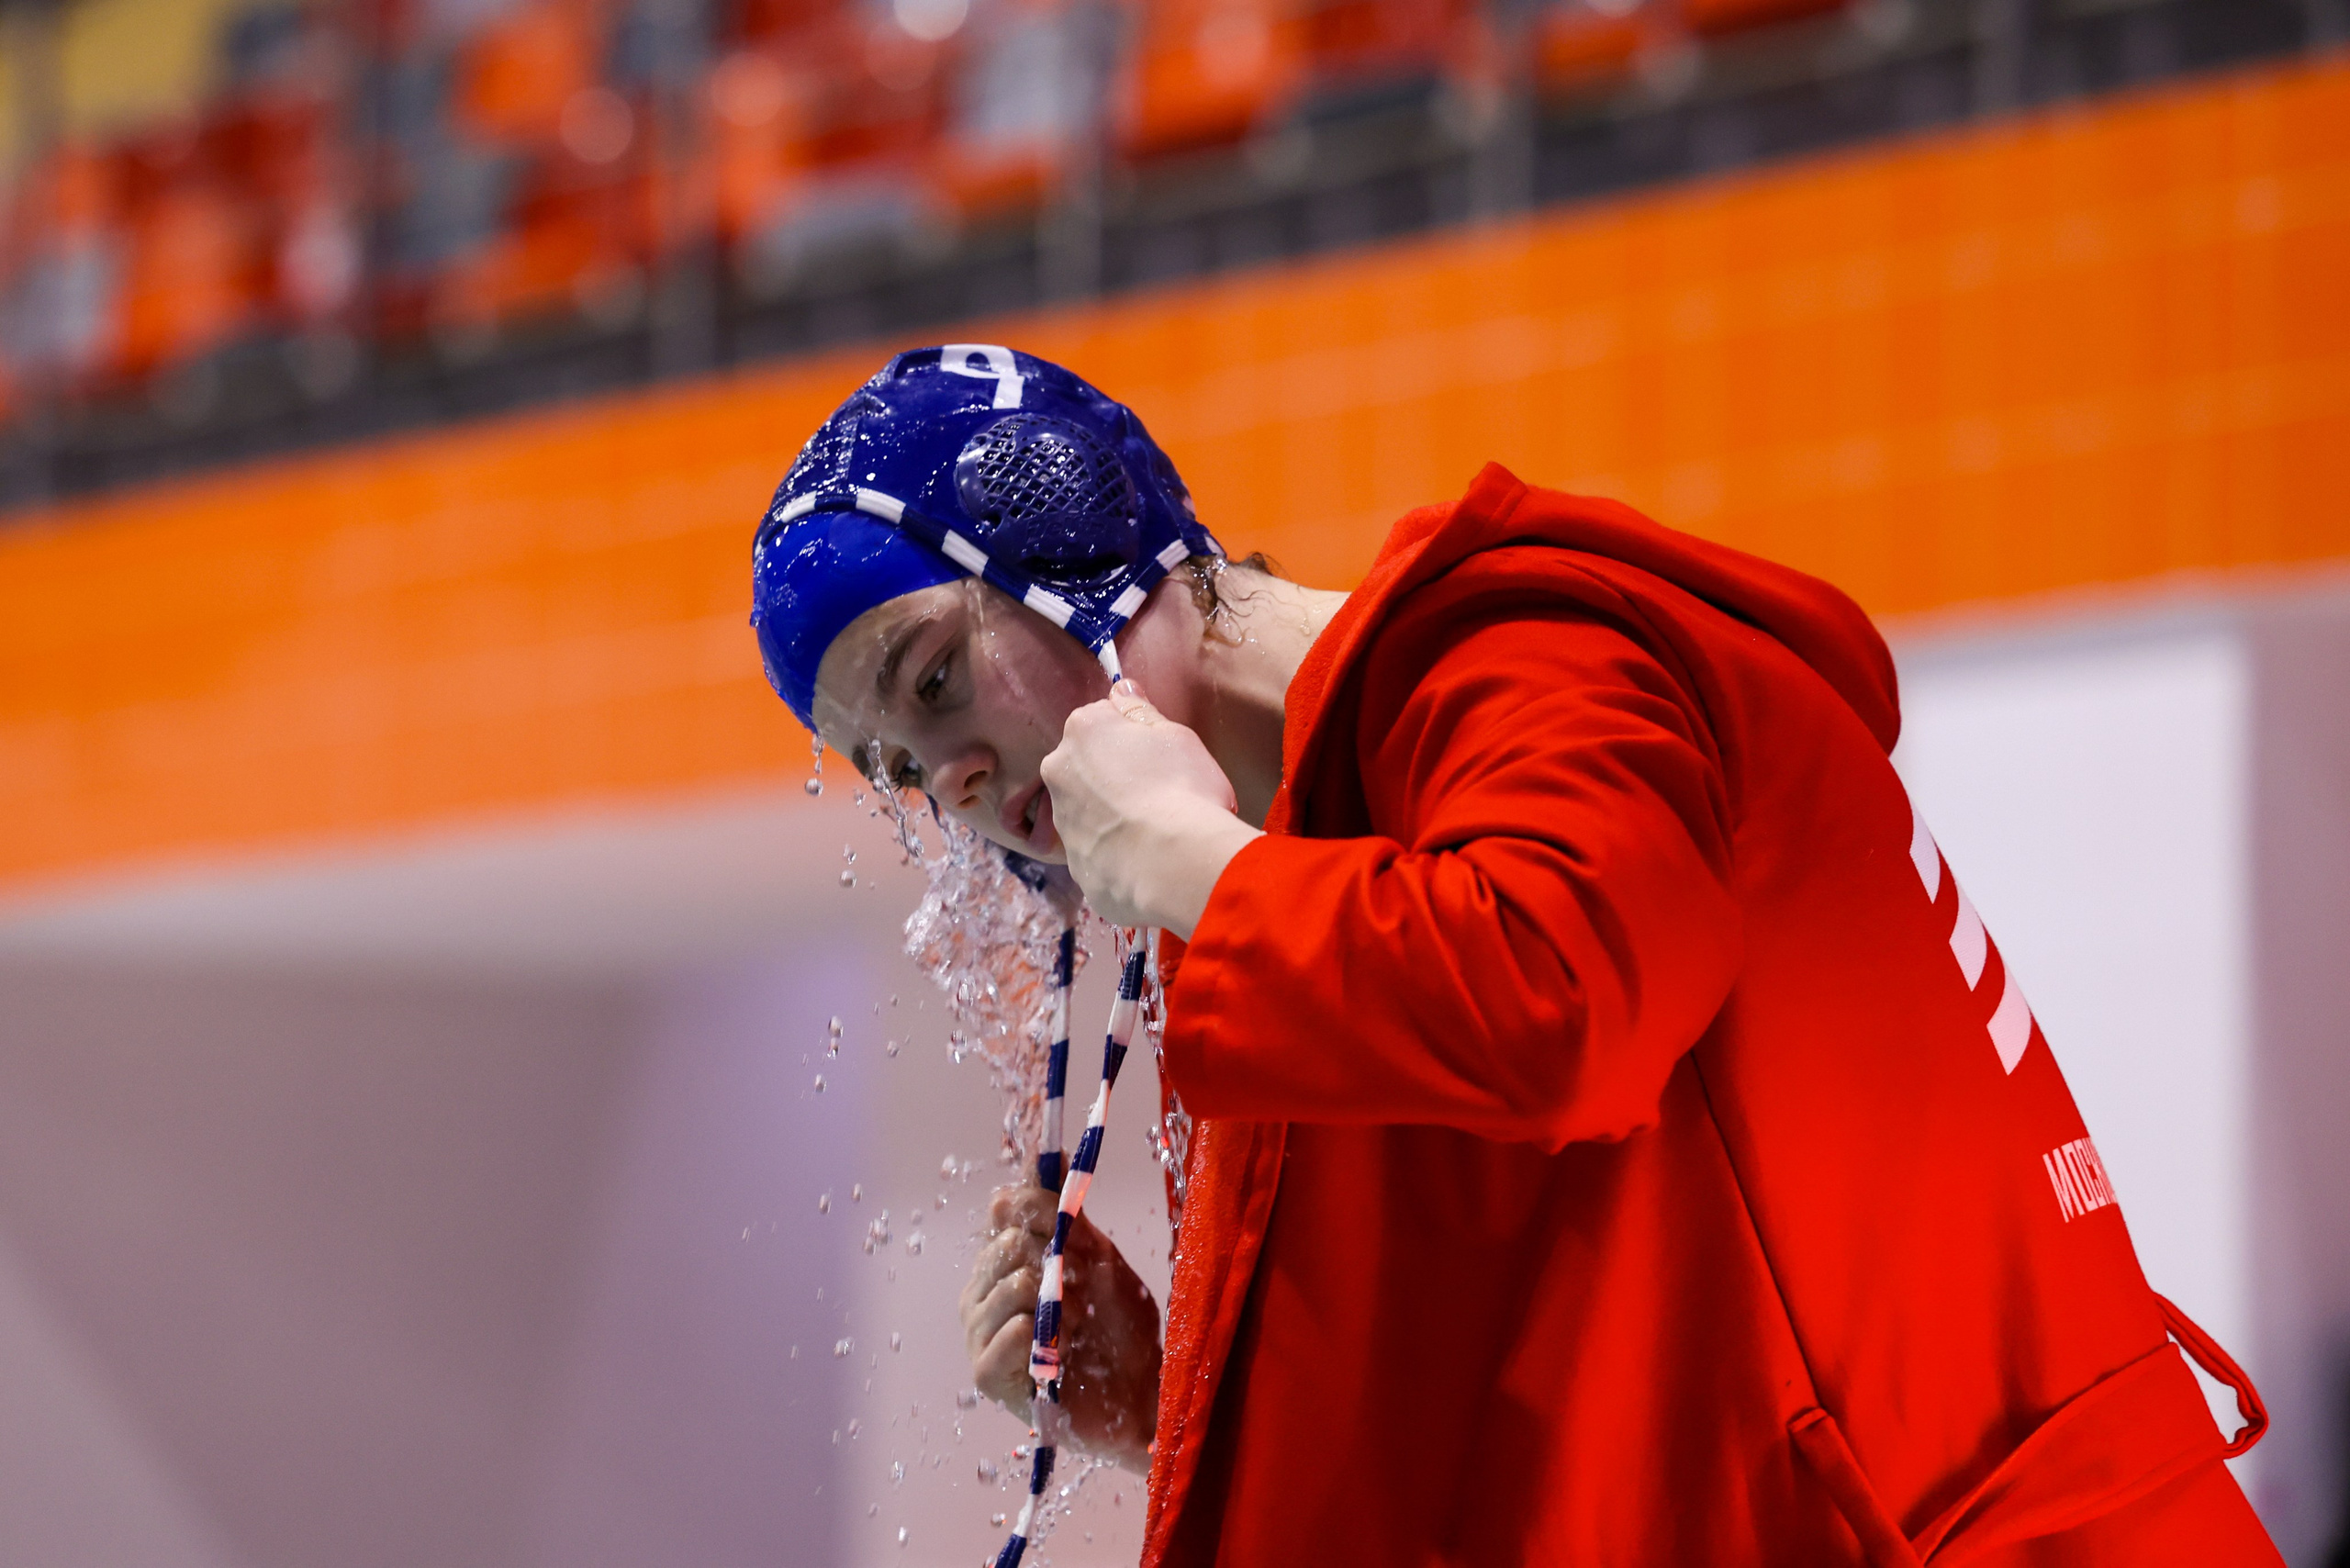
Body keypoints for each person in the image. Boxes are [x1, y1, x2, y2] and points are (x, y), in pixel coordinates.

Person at [750, 344, 2284, 1566]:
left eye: (935, 680)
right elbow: (1471, 1445)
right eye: (898, 768)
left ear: (1067, 534)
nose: (950, 782)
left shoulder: (1520, 661)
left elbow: (1568, 1001)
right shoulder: (1299, 900)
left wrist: (1202, 865)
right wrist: (1161, 1416)